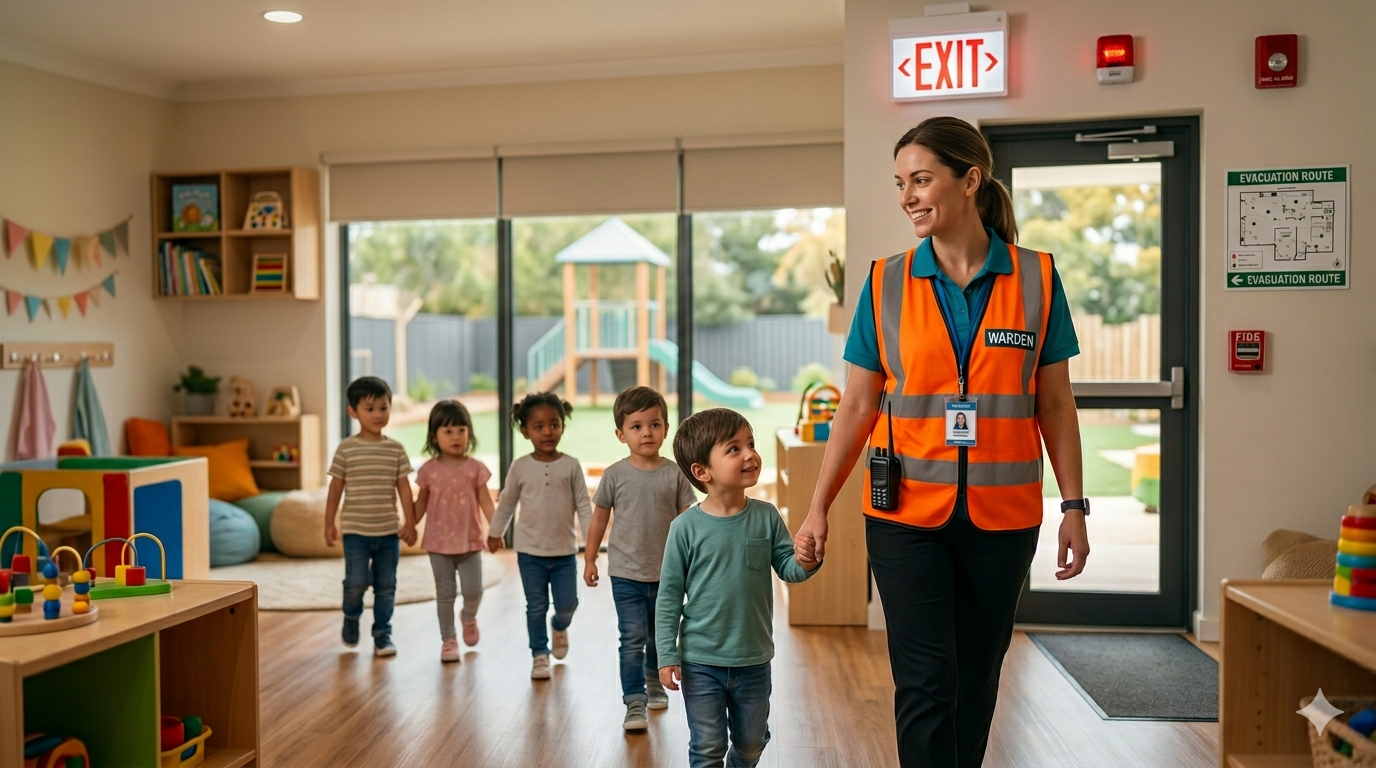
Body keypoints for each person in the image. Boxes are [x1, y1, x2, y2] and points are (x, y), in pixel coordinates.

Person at [794, 116, 1091, 768]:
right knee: (927, 682)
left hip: (1004, 519)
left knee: (978, 679)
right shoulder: (884, 282)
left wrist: (1075, 506)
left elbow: (1055, 403)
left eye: (921, 179)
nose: (907, 197)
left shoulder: (1037, 279)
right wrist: (816, 506)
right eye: (901, 183)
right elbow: (858, 405)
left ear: (971, 180)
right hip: (906, 519)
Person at [657, 408, 820, 768]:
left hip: (753, 658)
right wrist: (666, 653)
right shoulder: (684, 528)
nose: (750, 454)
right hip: (700, 659)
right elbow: (668, 595)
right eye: (734, 449)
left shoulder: (767, 516)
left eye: (751, 444)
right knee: (707, 747)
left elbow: (788, 570)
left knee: (750, 744)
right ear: (702, 472)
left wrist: (807, 562)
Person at [584, 386, 698, 731]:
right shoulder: (614, 475)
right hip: (625, 574)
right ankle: (634, 700)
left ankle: (653, 682)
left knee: (657, 636)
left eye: (654, 424)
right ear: (621, 434)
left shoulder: (675, 473)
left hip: (668, 575)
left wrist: (694, 565)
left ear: (666, 428)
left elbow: (688, 523)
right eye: (636, 426)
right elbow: (599, 519)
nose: (646, 432)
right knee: (632, 637)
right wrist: (590, 559)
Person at [488, 391, 592, 681]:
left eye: (554, 424)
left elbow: (584, 505)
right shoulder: (520, 466)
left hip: (563, 552)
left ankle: (559, 626)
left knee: (567, 604)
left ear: (562, 426)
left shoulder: (571, 465)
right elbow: (507, 501)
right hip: (530, 552)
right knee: (535, 606)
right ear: (525, 431)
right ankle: (539, 654)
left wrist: (591, 544)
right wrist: (496, 532)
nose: (548, 431)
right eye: (539, 426)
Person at [324, 376, 417, 658]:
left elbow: (404, 488)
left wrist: (410, 523)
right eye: (370, 408)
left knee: (386, 586)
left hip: (388, 532)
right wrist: (329, 522)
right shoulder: (346, 449)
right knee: (355, 582)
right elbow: (335, 488)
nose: (378, 415)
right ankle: (351, 617)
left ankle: (382, 634)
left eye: (384, 408)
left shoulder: (395, 449)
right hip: (355, 532)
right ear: (353, 411)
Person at [414, 399, 495, 663]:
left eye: (461, 430)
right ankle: (448, 640)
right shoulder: (428, 472)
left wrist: (496, 528)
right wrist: (407, 526)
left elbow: (486, 502)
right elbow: (420, 506)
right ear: (434, 437)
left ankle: (469, 616)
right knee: (445, 595)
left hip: (470, 542)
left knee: (475, 591)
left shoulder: (475, 469)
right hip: (438, 545)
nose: (456, 436)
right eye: (448, 431)